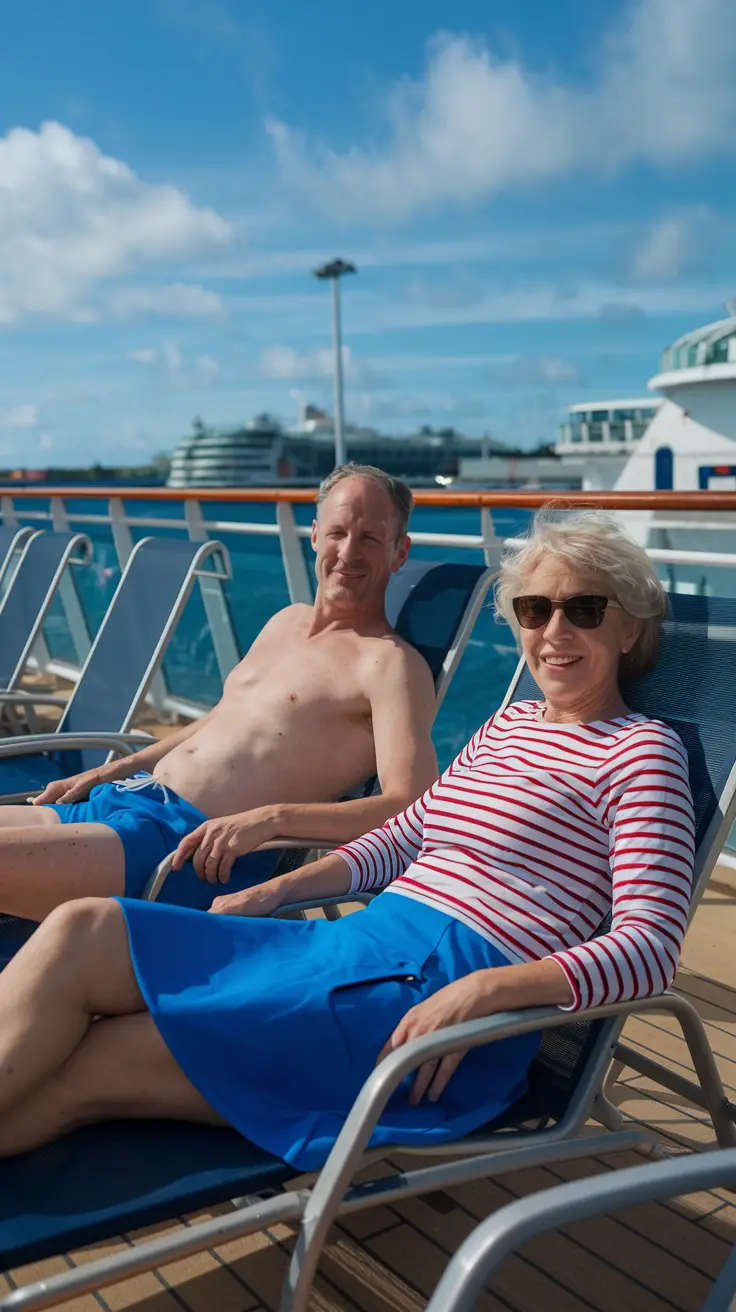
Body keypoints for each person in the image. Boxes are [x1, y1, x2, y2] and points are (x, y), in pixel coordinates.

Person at [0, 511, 694, 1169]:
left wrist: (486, 990)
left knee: (95, 1061)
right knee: (83, 926)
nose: (554, 630)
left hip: (430, 1002)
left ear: (629, 630)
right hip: (354, 948)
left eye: (585, 609)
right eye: (535, 609)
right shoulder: (508, 725)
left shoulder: (641, 753)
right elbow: (401, 840)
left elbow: (651, 949)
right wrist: (273, 888)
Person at [0, 465, 438, 918]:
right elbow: (222, 718)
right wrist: (111, 770)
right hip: (125, 798)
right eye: (338, 532)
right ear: (313, 535)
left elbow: (410, 807)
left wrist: (274, 819)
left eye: (370, 538)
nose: (349, 552)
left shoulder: (389, 664)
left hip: (184, 848)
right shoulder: (284, 621)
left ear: (399, 552)